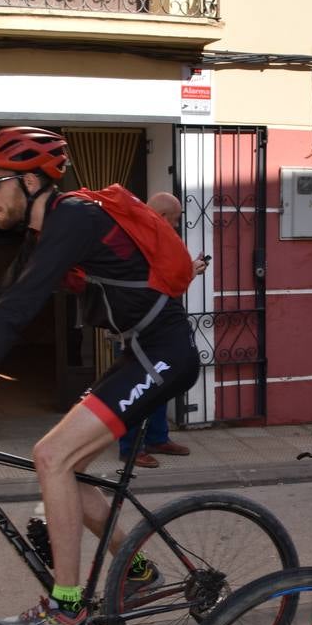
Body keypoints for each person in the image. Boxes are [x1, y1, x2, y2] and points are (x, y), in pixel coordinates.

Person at [0, 127, 200, 625]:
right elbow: (1, 298)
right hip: (137, 351)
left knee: (52, 457)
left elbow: (22, 309)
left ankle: (67, 607)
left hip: (163, 353)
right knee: (72, 470)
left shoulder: (74, 218)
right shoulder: (45, 231)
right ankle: (138, 574)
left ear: (29, 180)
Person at [117, 192, 208, 469]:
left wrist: (188, 270)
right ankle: (130, 447)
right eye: (177, 219)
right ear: (164, 216)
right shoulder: (141, 238)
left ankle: (157, 438)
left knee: (161, 381)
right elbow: (161, 284)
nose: (178, 225)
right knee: (138, 386)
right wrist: (190, 271)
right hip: (142, 325)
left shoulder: (148, 234)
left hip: (156, 324)